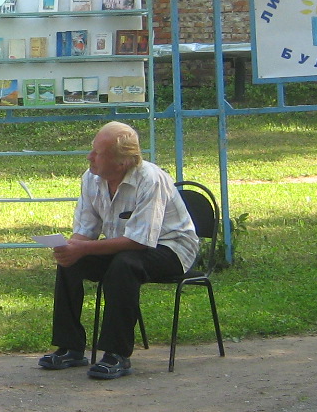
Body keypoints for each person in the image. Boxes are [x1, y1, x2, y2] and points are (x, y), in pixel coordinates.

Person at [40, 122, 199, 380]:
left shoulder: (151, 179)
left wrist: (84, 247)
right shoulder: (90, 179)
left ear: (122, 161)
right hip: (125, 246)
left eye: (98, 153)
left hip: (172, 248)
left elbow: (140, 241)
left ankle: (117, 354)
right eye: (92, 150)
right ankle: (70, 347)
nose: (90, 157)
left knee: (125, 265)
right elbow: (86, 229)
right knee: (71, 262)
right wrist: (70, 248)